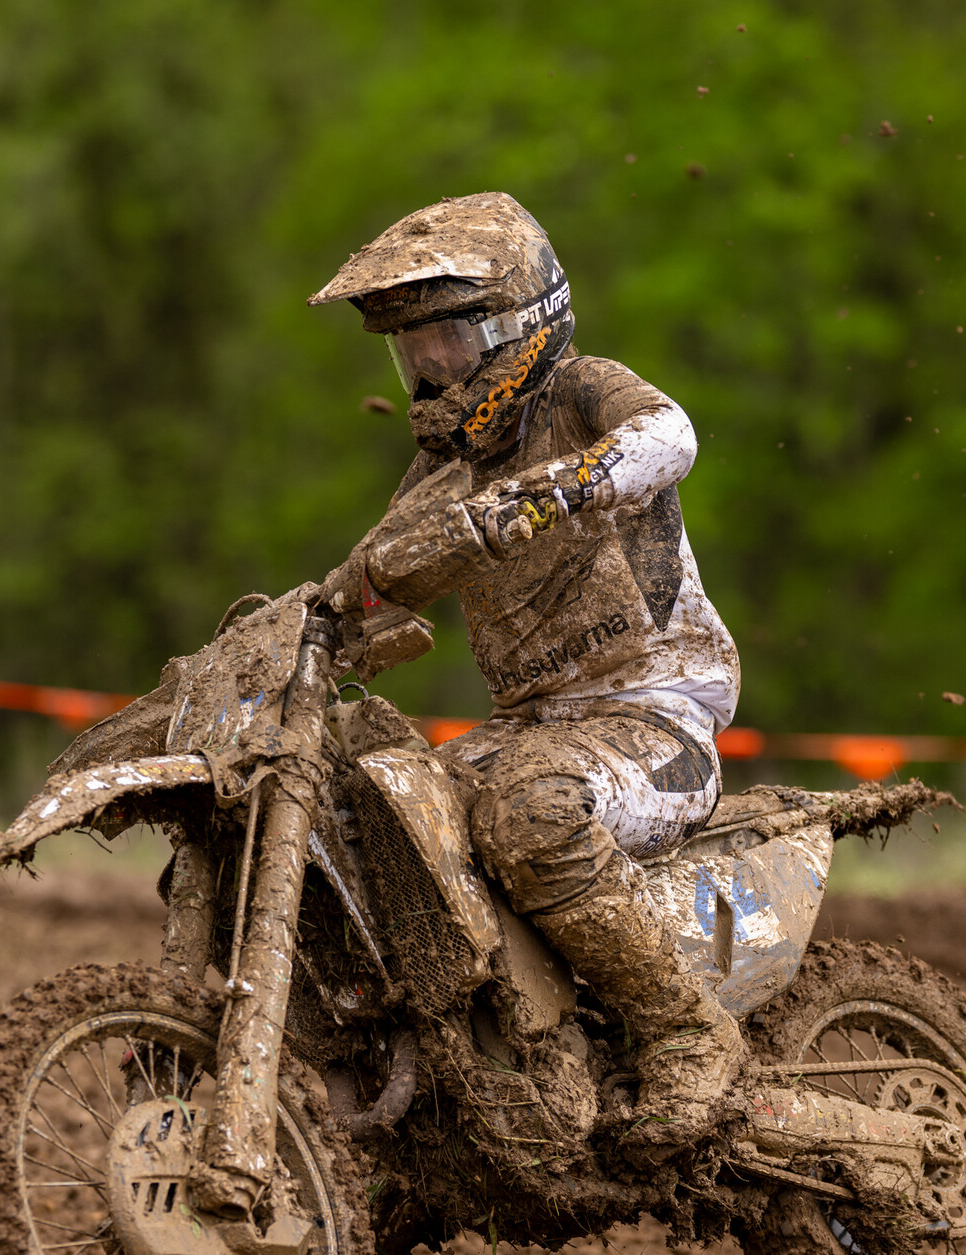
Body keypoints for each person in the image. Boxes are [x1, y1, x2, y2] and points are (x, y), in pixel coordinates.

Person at [309, 193, 743, 1151]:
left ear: (519, 325)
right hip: (535, 723)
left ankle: (686, 1034)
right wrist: (307, 628)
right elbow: (370, 581)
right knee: (378, 818)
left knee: (526, 814)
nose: (425, 372)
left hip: (656, 709)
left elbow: (672, 434)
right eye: (408, 352)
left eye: (448, 342)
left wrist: (561, 487)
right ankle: (477, 1066)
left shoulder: (580, 393)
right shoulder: (441, 474)